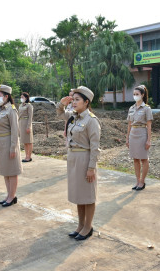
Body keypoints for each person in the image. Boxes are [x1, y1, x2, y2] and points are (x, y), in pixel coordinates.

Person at [57, 86, 101, 241]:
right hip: (73, 159)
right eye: (73, 99)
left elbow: (95, 147)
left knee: (88, 195)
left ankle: (88, 227)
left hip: (85, 159)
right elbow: (60, 112)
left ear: (86, 102)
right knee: (78, 194)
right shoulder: (74, 117)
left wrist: (91, 168)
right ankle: (80, 224)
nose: (74, 102)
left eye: (77, 100)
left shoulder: (91, 121)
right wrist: (62, 103)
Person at [126, 85, 153, 191]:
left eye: (137, 94)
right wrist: (127, 138)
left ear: (142, 95)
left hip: (142, 133)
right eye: (134, 94)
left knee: (144, 158)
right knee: (135, 159)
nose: (135, 96)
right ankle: (137, 181)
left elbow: (149, 125)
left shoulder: (146, 108)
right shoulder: (131, 108)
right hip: (133, 134)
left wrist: (149, 140)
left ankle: (142, 181)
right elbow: (129, 124)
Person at [18, 92, 33, 162]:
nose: (21, 98)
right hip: (21, 123)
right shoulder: (20, 105)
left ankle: (29, 156)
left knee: (29, 141)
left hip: (26, 123)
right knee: (24, 141)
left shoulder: (29, 105)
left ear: (26, 98)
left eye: (22, 97)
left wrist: (28, 126)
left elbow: (30, 117)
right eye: (21, 97)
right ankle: (26, 155)